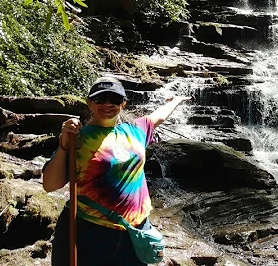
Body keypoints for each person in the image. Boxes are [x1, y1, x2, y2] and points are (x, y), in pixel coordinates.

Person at [43, 76, 191, 265]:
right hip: (91, 232)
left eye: (114, 99)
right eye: (100, 99)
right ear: (89, 103)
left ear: (123, 104)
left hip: (135, 232)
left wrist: (175, 101)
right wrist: (63, 146)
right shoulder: (78, 139)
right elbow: (49, 185)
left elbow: (158, 117)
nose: (107, 104)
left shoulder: (136, 130)